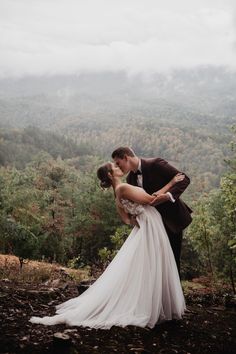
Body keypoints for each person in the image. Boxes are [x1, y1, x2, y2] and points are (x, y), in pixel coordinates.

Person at [29, 162, 186, 329]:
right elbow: (151, 200)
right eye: (116, 167)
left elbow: (127, 220)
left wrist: (137, 217)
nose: (119, 168)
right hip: (150, 224)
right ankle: (150, 306)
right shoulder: (123, 188)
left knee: (147, 264)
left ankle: (152, 303)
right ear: (111, 175)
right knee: (151, 263)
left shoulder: (117, 193)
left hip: (147, 224)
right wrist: (171, 183)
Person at [112, 147, 192, 273]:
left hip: (171, 219)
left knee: (173, 259)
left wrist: (169, 196)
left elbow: (184, 178)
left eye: (118, 163)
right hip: (151, 224)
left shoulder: (155, 164)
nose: (118, 167)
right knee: (157, 261)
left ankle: (173, 292)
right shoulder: (129, 180)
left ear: (126, 157)